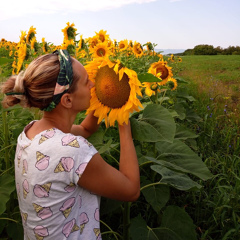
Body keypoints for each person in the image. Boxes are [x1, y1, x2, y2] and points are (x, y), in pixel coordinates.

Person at [1, 50, 140, 240]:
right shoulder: (71, 150)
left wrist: (107, 93)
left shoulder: (31, 132)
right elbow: (131, 189)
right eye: (86, 82)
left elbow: (86, 129)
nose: (93, 84)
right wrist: (123, 116)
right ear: (67, 100)